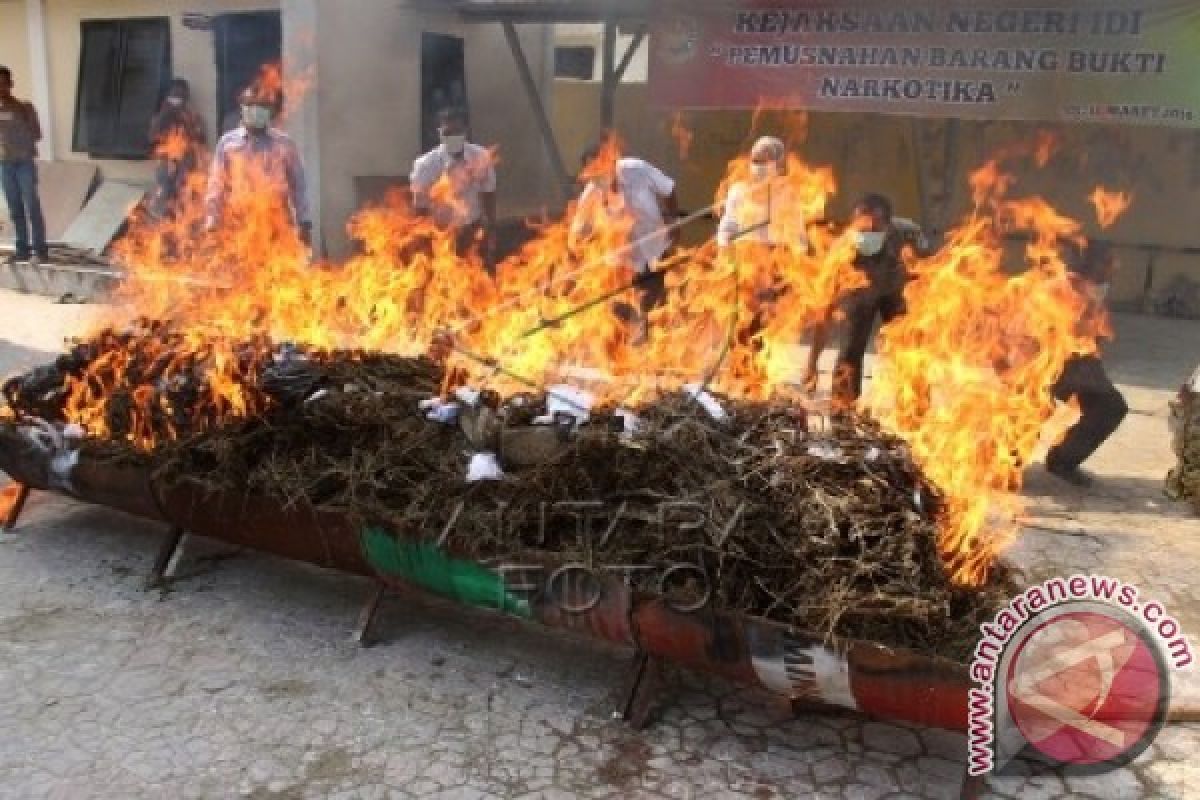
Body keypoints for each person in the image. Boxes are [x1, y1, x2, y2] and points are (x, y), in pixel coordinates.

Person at [569, 142, 680, 334]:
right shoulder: (591, 192)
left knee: (655, 304)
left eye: (599, 168)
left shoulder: (636, 169)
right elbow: (576, 232)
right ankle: (632, 335)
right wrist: (576, 256)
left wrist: (673, 220)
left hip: (653, 243)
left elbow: (668, 189)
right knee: (618, 303)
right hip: (621, 258)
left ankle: (652, 337)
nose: (596, 176)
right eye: (591, 172)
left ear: (610, 162)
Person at [831, 193, 927, 411]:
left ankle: (914, 408)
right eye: (863, 229)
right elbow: (822, 306)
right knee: (850, 349)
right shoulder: (841, 249)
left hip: (898, 287)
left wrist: (923, 310)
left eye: (876, 229)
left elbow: (930, 270)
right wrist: (812, 362)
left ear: (889, 227)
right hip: (859, 292)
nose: (869, 233)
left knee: (908, 348)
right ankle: (843, 411)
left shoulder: (908, 233)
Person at [1044, 240, 1128, 486]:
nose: (1112, 268)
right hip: (1037, 366)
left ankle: (1063, 460)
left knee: (1110, 407)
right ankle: (1004, 462)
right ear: (1090, 264)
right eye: (1107, 262)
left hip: (1079, 365)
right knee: (1032, 406)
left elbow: (1094, 336)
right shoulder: (1056, 288)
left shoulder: (1097, 290)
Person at [205, 88, 311, 245]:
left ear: (270, 110)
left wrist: (304, 221)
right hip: (240, 217)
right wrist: (213, 218)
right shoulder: (227, 142)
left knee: (278, 267)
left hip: (277, 217)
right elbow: (217, 183)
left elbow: (298, 185)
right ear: (243, 108)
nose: (256, 110)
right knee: (242, 266)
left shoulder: (284, 143)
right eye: (251, 105)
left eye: (262, 106)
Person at [409, 107, 497, 268]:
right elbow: (419, 209)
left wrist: (490, 230)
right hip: (440, 235)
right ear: (439, 133)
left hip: (473, 230)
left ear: (465, 131)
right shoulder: (426, 165)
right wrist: (422, 244)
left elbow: (489, 193)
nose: (453, 138)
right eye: (447, 133)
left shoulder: (481, 157)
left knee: (477, 280)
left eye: (457, 132)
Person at [0, 66, 48, 267]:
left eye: (3, 83)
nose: (0, 88)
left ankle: (40, 250)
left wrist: (18, 133)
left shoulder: (25, 108)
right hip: (4, 165)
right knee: (15, 208)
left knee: (32, 205)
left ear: (11, 84)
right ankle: (22, 250)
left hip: (24, 164)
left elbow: (37, 134)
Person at [148, 79, 206, 220]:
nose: (178, 98)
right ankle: (161, 224)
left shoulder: (193, 117)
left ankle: (180, 225)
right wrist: (166, 113)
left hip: (186, 163)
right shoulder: (160, 116)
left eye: (181, 95)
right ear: (168, 95)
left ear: (187, 97)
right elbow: (152, 138)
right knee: (163, 195)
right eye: (175, 95)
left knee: (183, 195)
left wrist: (185, 119)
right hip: (165, 163)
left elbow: (200, 140)